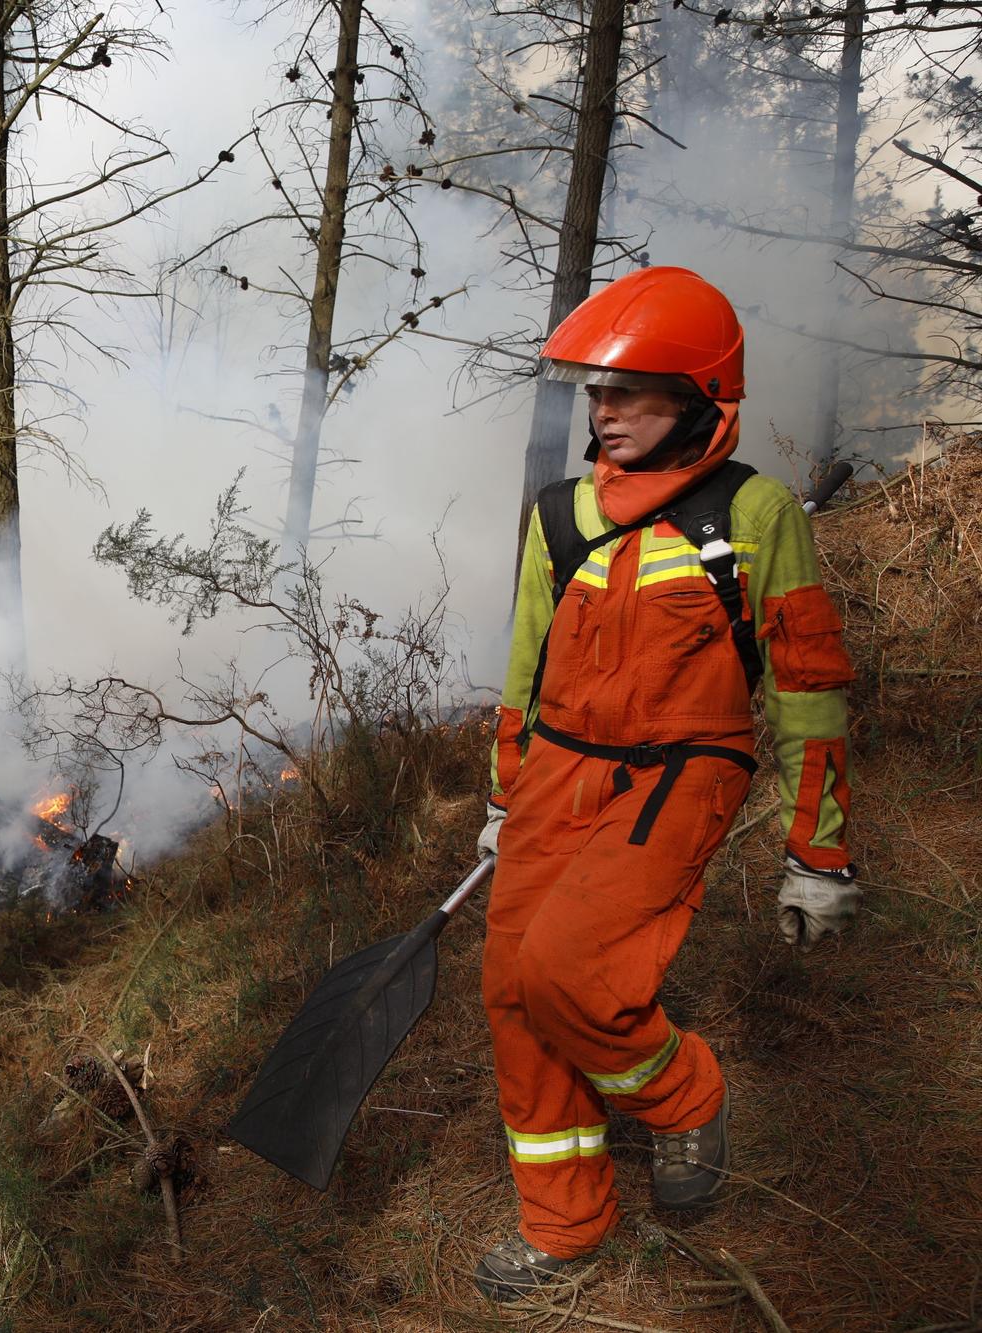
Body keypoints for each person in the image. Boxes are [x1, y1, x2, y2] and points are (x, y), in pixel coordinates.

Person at [474, 267, 858, 1301]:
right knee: (511, 987)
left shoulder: (755, 511)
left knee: (568, 973)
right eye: (595, 393)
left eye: (627, 392)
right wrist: (501, 796)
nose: (602, 413)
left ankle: (685, 1097)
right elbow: (523, 670)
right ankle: (562, 1227)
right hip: (556, 768)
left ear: (698, 395)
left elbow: (808, 688)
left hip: (683, 771)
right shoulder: (560, 515)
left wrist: (814, 849)